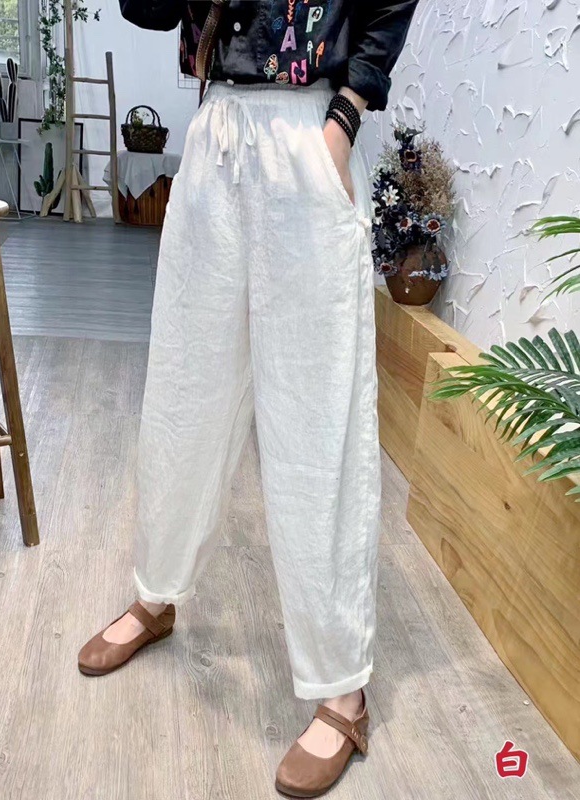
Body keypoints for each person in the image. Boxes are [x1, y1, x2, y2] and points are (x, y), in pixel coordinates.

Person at [78, 1, 419, 796]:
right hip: (217, 125)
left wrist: (344, 118)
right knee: (184, 386)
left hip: (309, 130)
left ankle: (342, 688)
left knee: (316, 412)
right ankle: (158, 592)